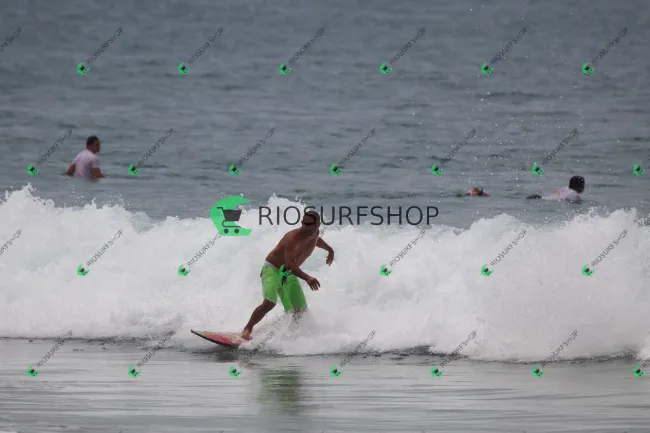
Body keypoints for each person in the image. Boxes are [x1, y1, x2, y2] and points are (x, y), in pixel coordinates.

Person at [240, 210, 334, 340]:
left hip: (288, 273)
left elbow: (316, 240)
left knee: (300, 310)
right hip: (272, 269)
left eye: (308, 224)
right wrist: (308, 278)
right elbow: (290, 264)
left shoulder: (315, 233)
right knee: (270, 302)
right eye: (303, 223)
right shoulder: (293, 238)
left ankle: (290, 336)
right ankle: (247, 329)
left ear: (317, 224)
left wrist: (330, 250)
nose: (305, 227)